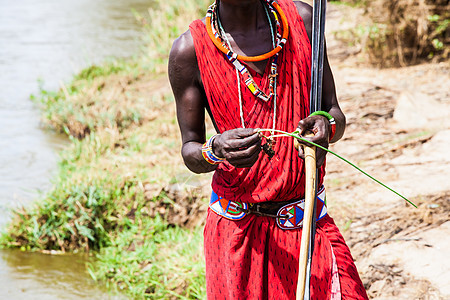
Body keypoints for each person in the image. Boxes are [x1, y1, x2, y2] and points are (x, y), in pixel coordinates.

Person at [168, 0, 369, 299]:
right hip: (235, 235)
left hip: (305, 222)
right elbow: (190, 151)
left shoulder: (303, 21)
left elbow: (334, 113)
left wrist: (327, 126)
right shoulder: (190, 50)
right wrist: (217, 149)